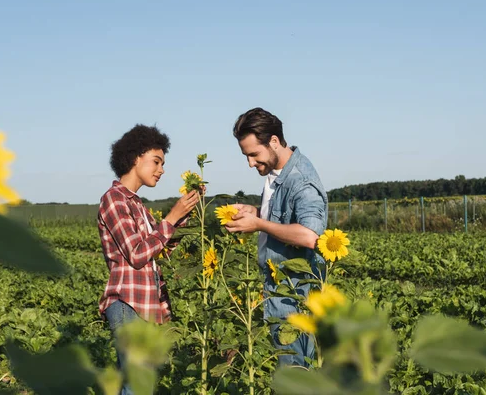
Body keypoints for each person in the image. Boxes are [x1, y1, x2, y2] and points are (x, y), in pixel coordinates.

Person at [97, 124, 200, 395]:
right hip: (128, 302)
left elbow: (157, 246)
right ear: (135, 158)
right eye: (156, 161)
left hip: (145, 303)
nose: (162, 169)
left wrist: (185, 216)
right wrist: (171, 218)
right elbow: (138, 253)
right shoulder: (114, 200)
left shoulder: (137, 205)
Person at [225, 107, 328, 368]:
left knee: (296, 374)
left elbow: (309, 235)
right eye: (246, 156)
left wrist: (258, 223)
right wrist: (258, 212)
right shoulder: (277, 173)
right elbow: (286, 217)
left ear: (273, 141)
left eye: (253, 154)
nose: (250, 163)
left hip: (295, 296)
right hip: (280, 290)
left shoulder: (300, 180)